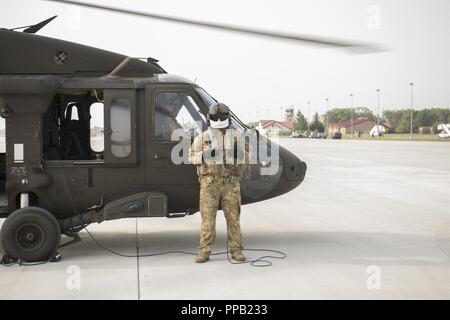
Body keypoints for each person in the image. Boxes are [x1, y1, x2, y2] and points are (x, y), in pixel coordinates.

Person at [189, 102, 251, 263]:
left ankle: (236, 250)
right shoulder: (203, 137)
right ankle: (204, 251)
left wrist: (238, 155)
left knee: (233, 219)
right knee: (208, 219)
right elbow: (191, 156)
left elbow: (247, 159)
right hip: (209, 185)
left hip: (230, 183)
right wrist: (205, 154)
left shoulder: (237, 137)